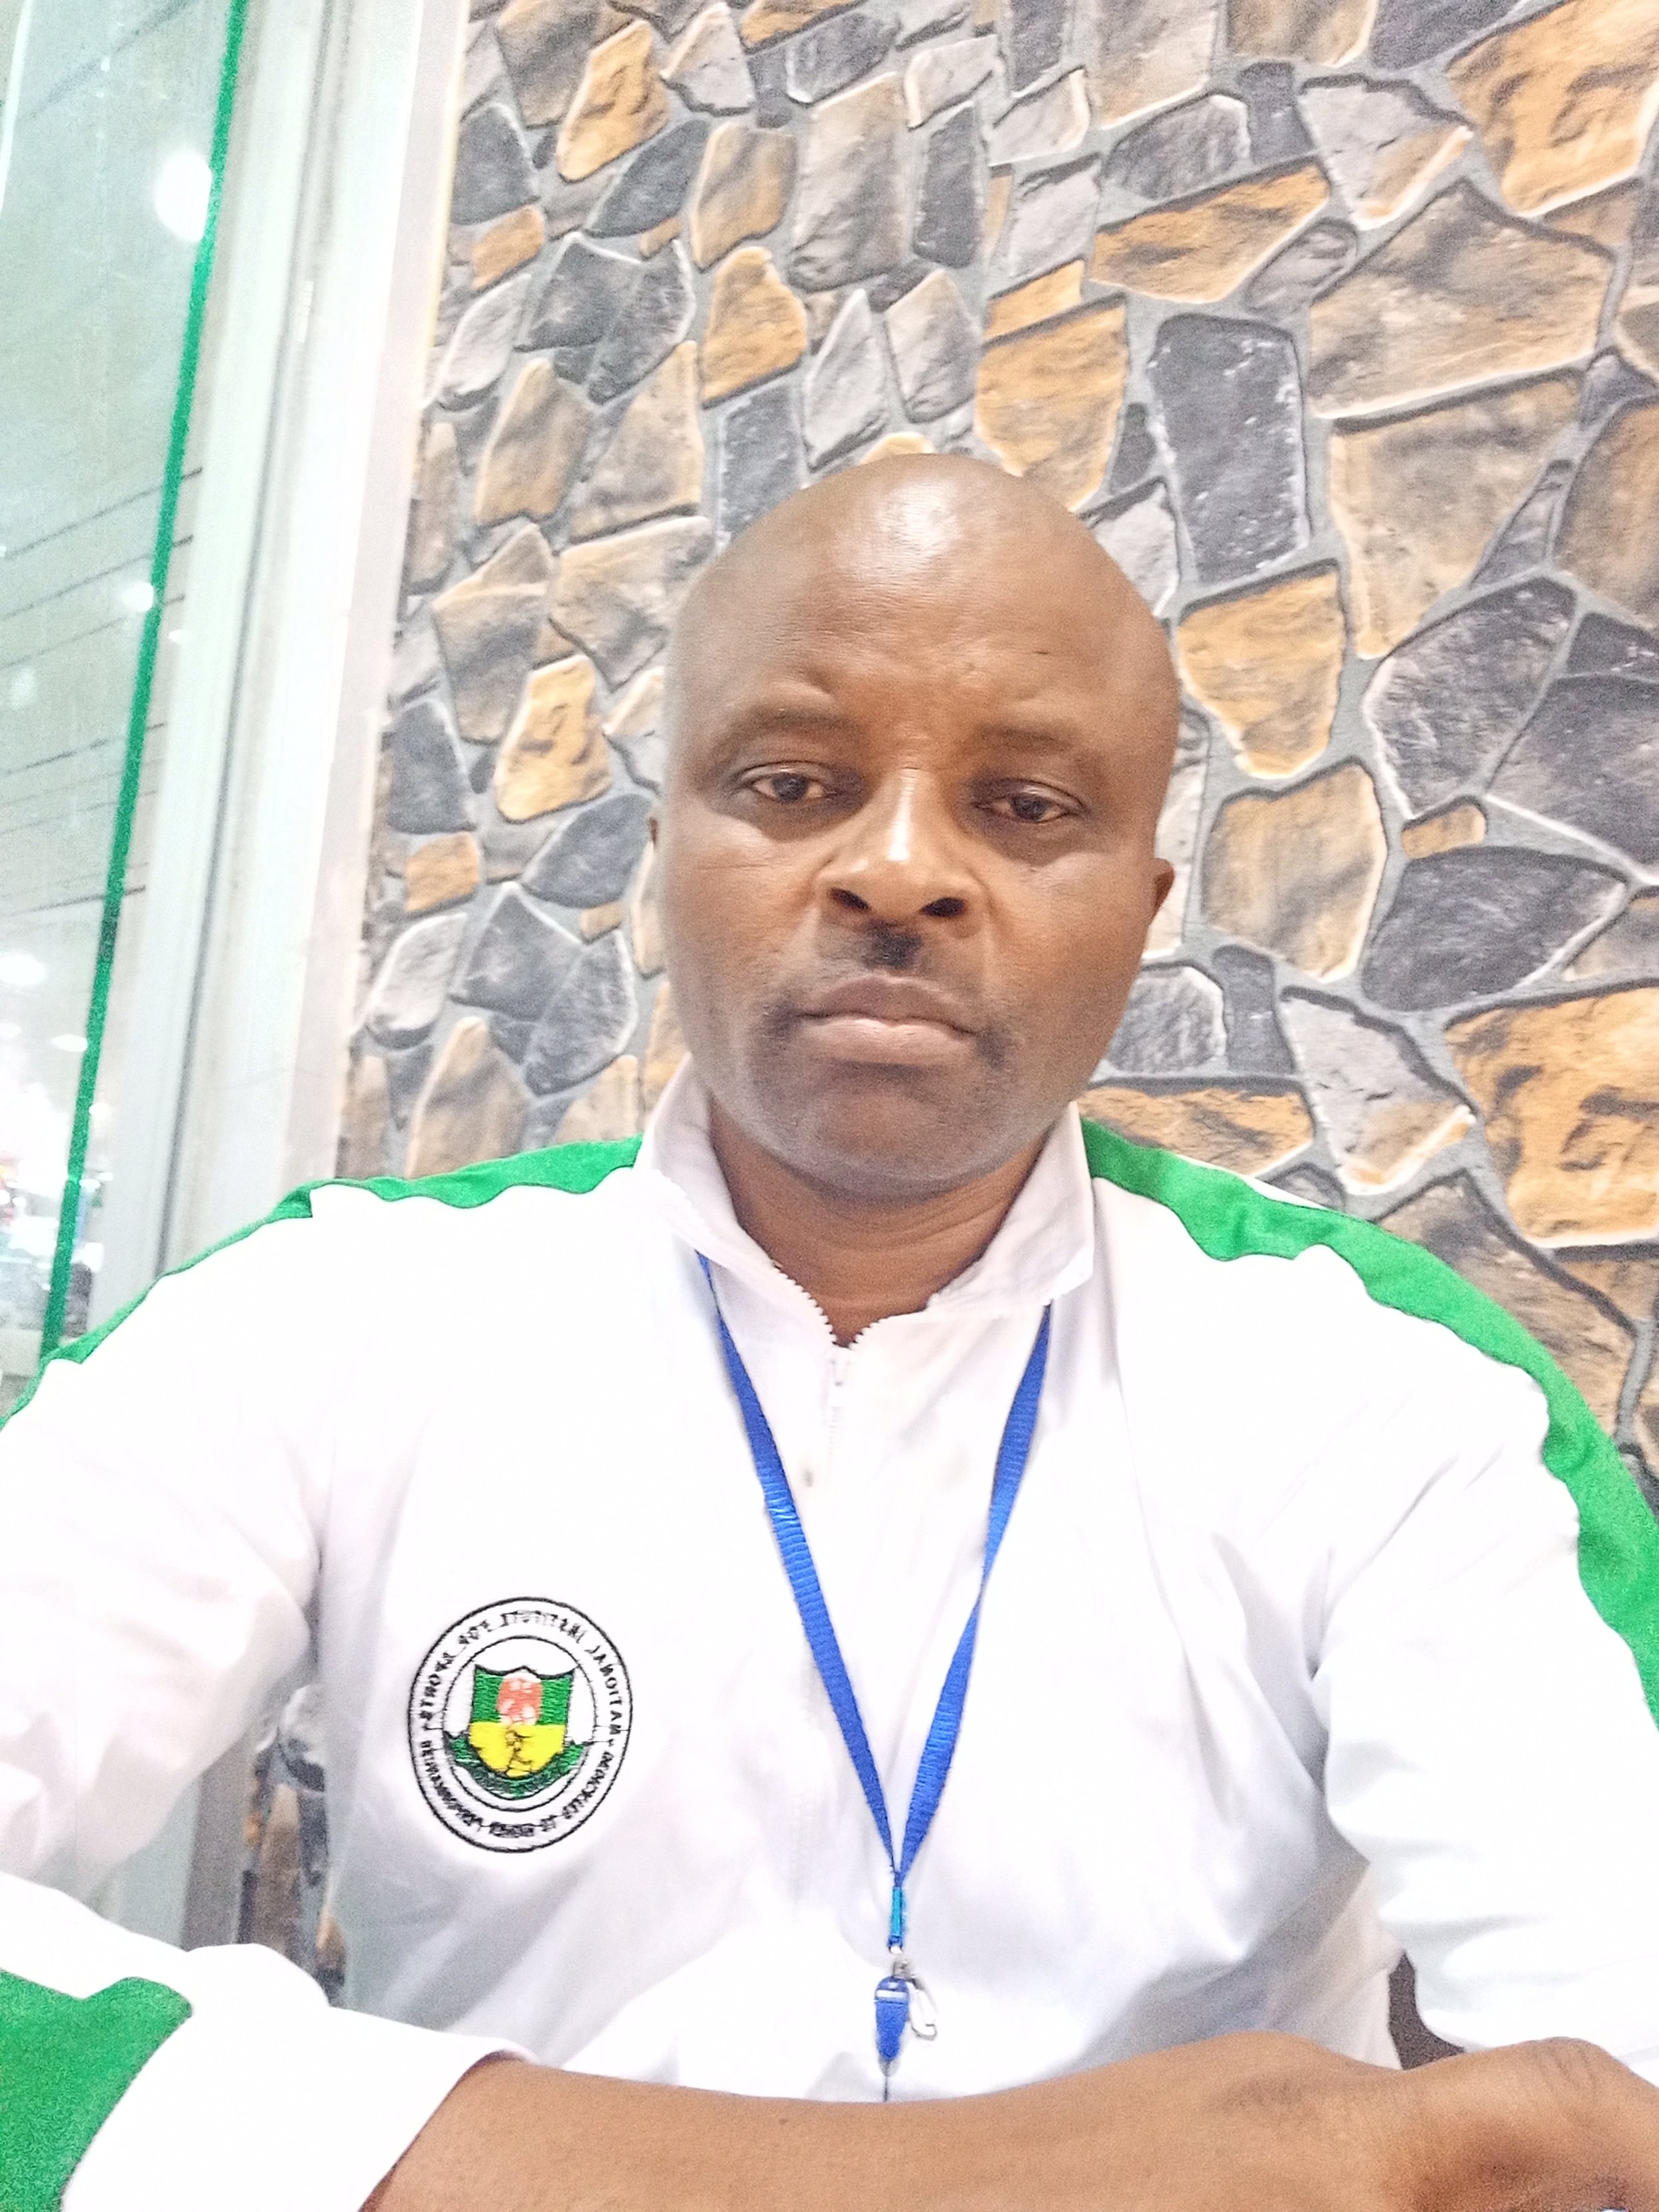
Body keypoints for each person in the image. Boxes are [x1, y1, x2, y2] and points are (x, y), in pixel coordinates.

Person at [2, 457, 1658, 2212]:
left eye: (1024, 809)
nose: (895, 870)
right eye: (792, 784)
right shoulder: (326, 1318)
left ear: (1140, 914)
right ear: (664, 853)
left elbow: (1615, 2069)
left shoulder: (1392, 1396)